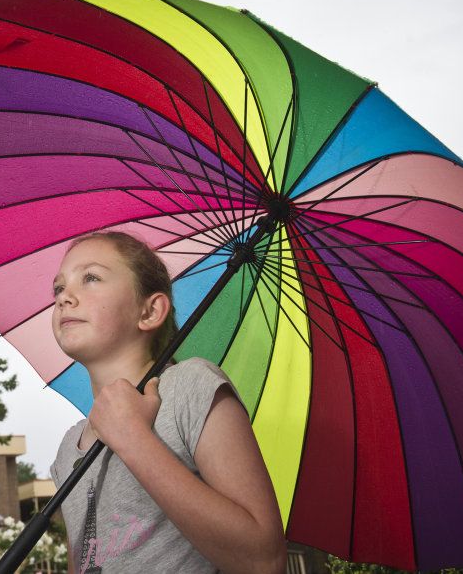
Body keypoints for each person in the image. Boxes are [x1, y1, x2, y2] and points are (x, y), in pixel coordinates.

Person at [49, 231, 287, 574]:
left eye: (91, 278)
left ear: (150, 311)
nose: (64, 298)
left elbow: (264, 561)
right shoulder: (69, 449)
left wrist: (133, 438)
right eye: (58, 287)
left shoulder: (190, 387)